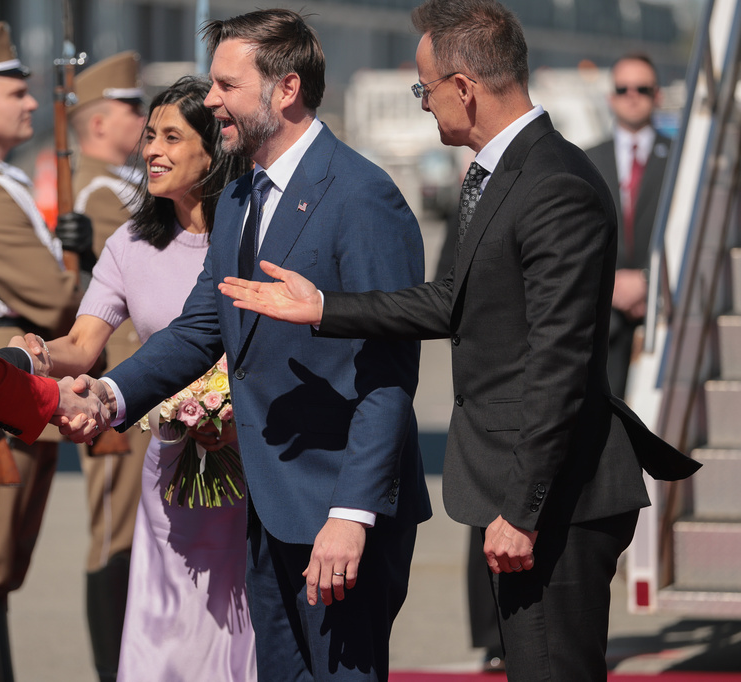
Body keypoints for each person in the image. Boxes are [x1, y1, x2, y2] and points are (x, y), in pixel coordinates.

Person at [217, 1, 700, 680]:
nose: (422, 105)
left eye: (425, 89)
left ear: (465, 88)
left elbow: (557, 363)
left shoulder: (554, 183)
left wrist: (522, 509)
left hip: (556, 497)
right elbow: (451, 301)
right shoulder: (498, 173)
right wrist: (325, 306)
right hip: (520, 487)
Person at [82, 9, 432, 681]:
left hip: (338, 517)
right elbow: (201, 326)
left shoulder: (362, 197)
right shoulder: (241, 195)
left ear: (286, 89)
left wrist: (351, 514)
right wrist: (111, 392)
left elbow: (389, 373)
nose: (210, 100)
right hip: (270, 512)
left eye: (226, 85)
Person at [27, 76, 255, 681]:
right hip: (170, 469)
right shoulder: (130, 243)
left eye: (171, 137)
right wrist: (26, 357)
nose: (151, 148)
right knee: (167, 632)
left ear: (214, 149)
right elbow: (81, 344)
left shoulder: (254, 236)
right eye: (148, 135)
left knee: (241, 628)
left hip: (251, 465)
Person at [0, 22, 84, 682]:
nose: (31, 103)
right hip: (5, 403)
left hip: (21, 390)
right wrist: (88, 266)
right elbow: (57, 295)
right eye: (15, 90)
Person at [67, 50, 149, 681]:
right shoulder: (100, 192)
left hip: (144, 389)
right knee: (114, 534)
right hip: (122, 388)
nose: (140, 116)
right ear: (98, 123)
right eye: (129, 107)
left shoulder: (119, 184)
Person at [585, 53, 671, 398]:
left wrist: (649, 281)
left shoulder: (682, 158)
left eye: (643, 88)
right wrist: (612, 283)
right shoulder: (586, 160)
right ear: (611, 97)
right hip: (604, 311)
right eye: (623, 88)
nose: (632, 95)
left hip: (667, 305)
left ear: (658, 95)